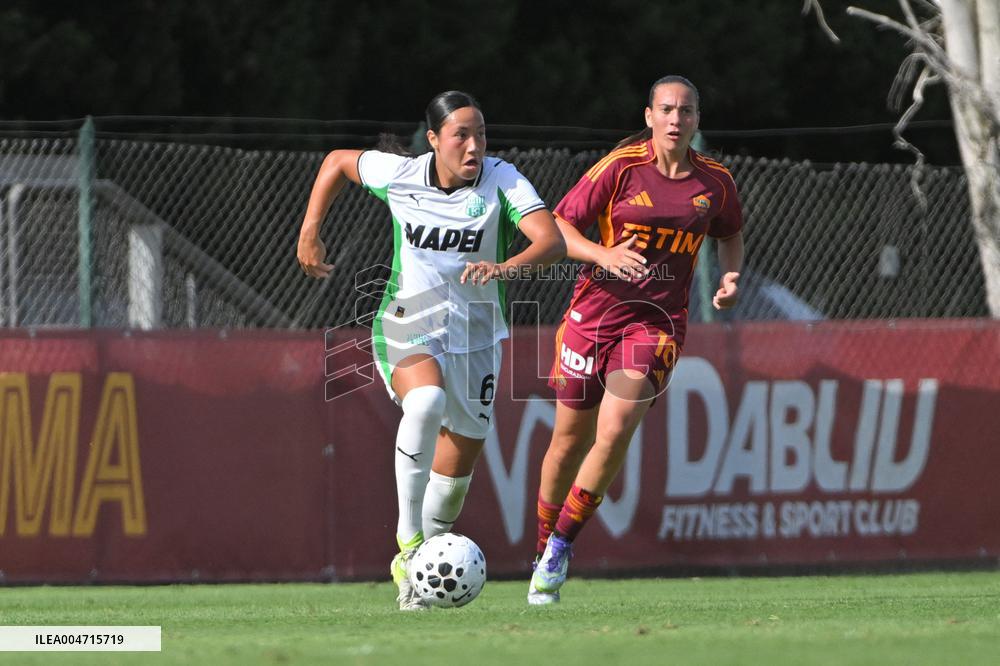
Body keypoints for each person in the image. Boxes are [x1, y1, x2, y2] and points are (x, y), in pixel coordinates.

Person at [297, 91, 565, 610]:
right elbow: (335, 163)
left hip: (479, 337)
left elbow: (549, 240)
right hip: (407, 319)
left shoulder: (501, 180)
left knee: (454, 480)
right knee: (425, 403)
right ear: (435, 139)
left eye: (481, 133)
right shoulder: (401, 174)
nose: (474, 146)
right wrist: (310, 229)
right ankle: (409, 549)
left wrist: (506, 269)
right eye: (461, 134)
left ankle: (426, 555)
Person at [528, 75, 744, 604]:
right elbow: (558, 225)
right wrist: (603, 255)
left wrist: (731, 276)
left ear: (697, 119)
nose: (676, 119)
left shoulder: (715, 182)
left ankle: (560, 547)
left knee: (619, 422)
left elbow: (730, 234)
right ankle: (540, 549)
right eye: (666, 109)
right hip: (592, 316)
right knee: (567, 442)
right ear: (648, 116)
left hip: (657, 323)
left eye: (686, 111)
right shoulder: (620, 168)